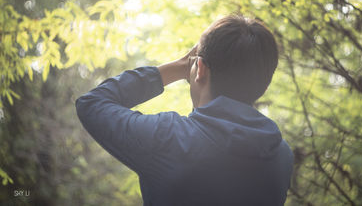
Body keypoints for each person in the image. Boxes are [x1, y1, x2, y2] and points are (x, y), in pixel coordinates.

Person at [76, 15, 293, 206]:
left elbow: (92, 103)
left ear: (199, 69)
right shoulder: (281, 156)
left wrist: (180, 66)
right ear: (264, 84)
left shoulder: (169, 139)